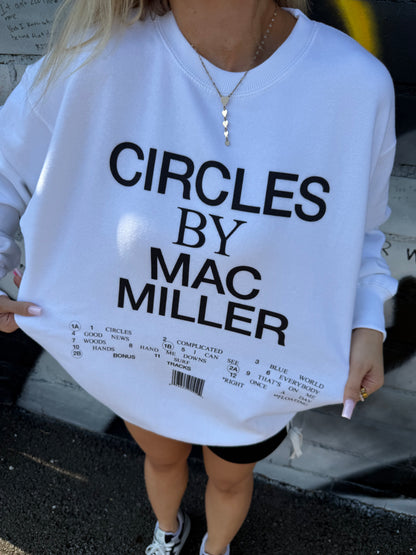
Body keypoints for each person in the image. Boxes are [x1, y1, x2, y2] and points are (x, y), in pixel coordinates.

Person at [0, 1, 398, 553]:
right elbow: (6, 168)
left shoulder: (356, 85)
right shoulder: (90, 63)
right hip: (138, 360)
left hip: (257, 372)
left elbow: (361, 230)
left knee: (231, 480)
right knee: (162, 462)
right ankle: (168, 532)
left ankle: (215, 549)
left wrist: (367, 318)